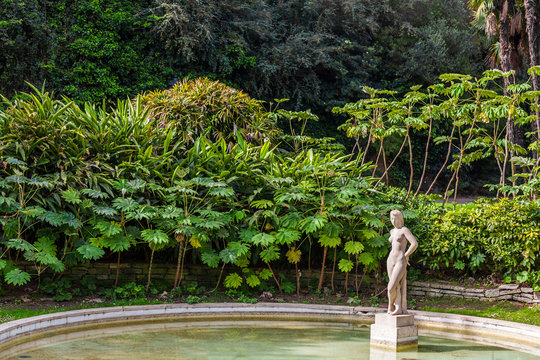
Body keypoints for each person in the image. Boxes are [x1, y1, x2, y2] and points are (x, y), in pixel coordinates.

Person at [387, 210, 418, 315]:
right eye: (391, 218)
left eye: (394, 218)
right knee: (395, 285)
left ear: (399, 218)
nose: (392, 221)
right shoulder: (392, 231)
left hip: (401, 259)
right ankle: (395, 307)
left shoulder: (404, 230)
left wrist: (406, 255)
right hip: (390, 259)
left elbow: (414, 244)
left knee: (391, 286)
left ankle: (394, 306)